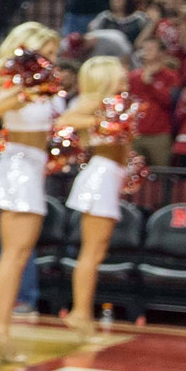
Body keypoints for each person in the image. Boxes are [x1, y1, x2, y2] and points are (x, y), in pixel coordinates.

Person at [0, 23, 64, 362]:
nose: (52, 60)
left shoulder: (48, 86)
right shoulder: (18, 80)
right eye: (47, 53)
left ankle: (2, 328)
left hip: (33, 167)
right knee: (14, 253)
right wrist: (29, 83)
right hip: (18, 167)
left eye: (55, 55)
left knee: (20, 252)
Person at [59, 55, 133, 336]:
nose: (125, 77)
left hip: (109, 176)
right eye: (118, 73)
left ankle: (82, 312)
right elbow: (66, 119)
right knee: (92, 251)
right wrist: (102, 121)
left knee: (96, 251)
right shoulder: (98, 102)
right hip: (100, 176)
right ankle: (80, 313)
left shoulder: (117, 104)